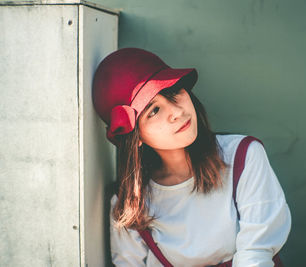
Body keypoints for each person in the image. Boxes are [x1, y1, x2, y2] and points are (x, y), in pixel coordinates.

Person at [92, 48, 291, 267]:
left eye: (173, 92)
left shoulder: (242, 156)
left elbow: (256, 254)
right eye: (154, 110)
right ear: (135, 137)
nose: (176, 111)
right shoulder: (130, 204)